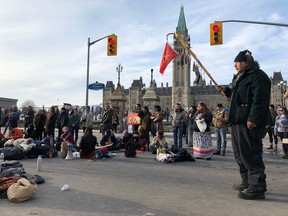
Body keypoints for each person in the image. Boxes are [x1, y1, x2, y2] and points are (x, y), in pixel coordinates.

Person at [216, 50, 271, 200]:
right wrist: (227, 91)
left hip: (248, 123)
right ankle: (247, 181)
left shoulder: (258, 76)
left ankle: (257, 186)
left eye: (237, 62)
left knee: (251, 154)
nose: (235, 65)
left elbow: (260, 100)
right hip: (237, 122)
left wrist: (253, 118)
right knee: (240, 154)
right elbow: (237, 98)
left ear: (246, 62)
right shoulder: (241, 78)